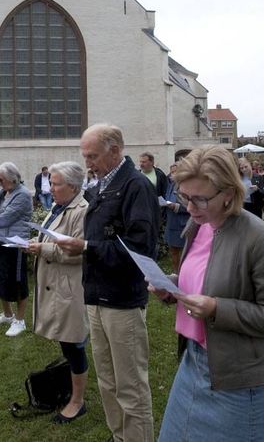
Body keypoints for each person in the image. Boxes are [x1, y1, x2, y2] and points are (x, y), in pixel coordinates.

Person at [149, 146, 264, 441]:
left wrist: (216, 308)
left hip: (239, 380)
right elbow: (208, 276)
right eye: (184, 196)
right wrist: (173, 285)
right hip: (194, 364)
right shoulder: (200, 224)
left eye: (200, 198)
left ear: (229, 192)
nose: (190, 207)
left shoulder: (263, 240)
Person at [55, 123, 159, 442]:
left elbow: (139, 249)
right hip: (97, 296)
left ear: (115, 150)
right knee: (108, 383)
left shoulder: (135, 186)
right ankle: (119, 436)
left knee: (131, 387)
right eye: (85, 156)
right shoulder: (100, 186)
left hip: (122, 300)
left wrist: (86, 247)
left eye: (93, 156)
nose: (88, 163)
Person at [27, 161, 91, 423]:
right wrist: (36, 243)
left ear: (73, 186)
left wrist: (42, 249)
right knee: (66, 342)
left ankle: (77, 402)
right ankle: (71, 392)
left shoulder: (83, 210)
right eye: (51, 183)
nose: (50, 188)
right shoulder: (58, 206)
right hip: (55, 283)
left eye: (56, 184)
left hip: (70, 287)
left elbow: (78, 253)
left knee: (74, 343)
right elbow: (51, 238)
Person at [0, 161, 34, 337]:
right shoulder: (2, 193)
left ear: (13, 179)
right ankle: (7, 315)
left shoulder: (23, 195)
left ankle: (20, 321)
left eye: (1, 180)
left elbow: (5, 218)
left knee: (18, 283)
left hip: (15, 245)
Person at [162, 157, 191, 273]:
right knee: (173, 252)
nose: (171, 174)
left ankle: (186, 274)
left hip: (183, 225)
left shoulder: (187, 186)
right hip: (171, 223)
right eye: (171, 172)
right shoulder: (171, 184)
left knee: (185, 253)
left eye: (174, 172)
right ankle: (176, 274)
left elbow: (192, 206)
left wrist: (176, 207)